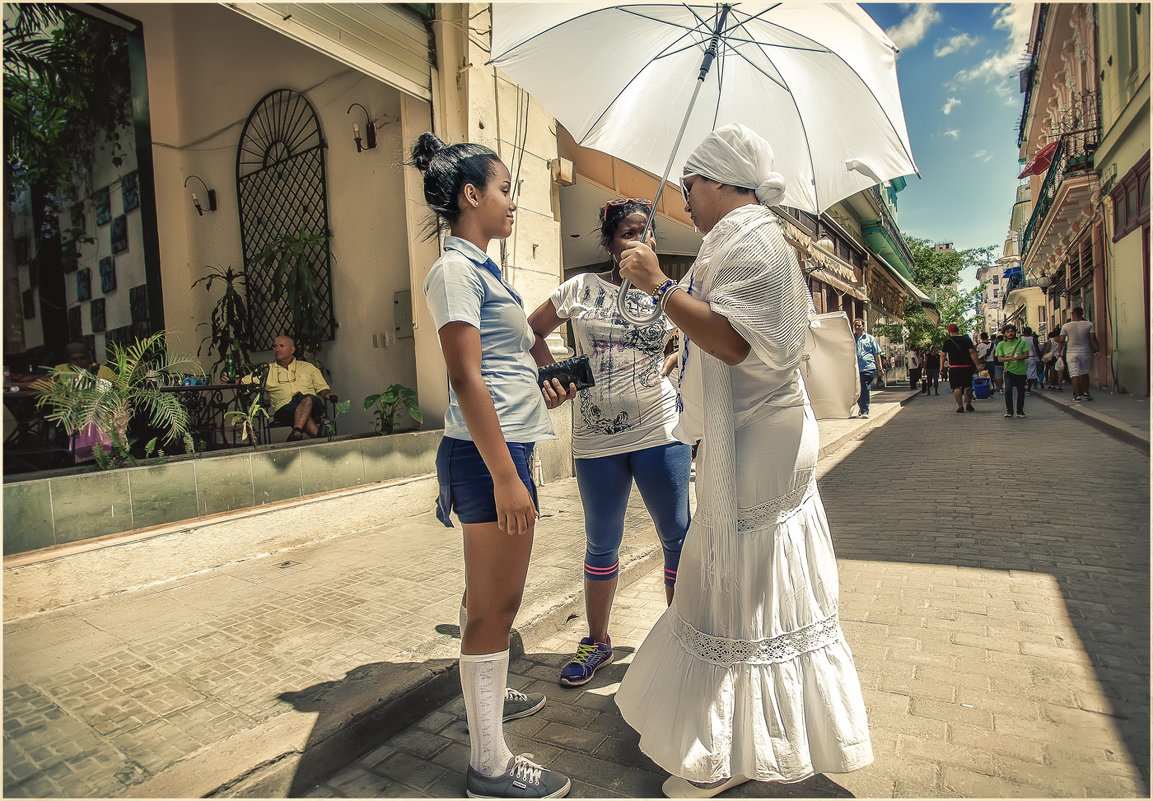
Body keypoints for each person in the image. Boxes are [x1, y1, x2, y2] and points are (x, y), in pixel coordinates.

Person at [613, 123, 872, 798]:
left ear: (723, 180)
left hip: (762, 442)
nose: (684, 198)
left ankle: (728, 750)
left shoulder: (755, 240)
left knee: (744, 590)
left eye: (690, 185)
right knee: (729, 587)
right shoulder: (733, 241)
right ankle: (730, 742)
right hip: (748, 437)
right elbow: (712, 335)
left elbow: (733, 343)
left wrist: (658, 284)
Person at [411, 132, 571, 799]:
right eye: (505, 189)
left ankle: (488, 699)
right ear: (471, 195)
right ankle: (489, 765)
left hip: (501, 448)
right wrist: (507, 475)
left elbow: (504, 363)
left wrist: (545, 379)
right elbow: (465, 376)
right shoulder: (453, 271)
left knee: (487, 601)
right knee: (496, 607)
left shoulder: (481, 270)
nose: (512, 203)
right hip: (488, 457)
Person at [527, 199, 691, 689]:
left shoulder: (669, 293)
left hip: (659, 431)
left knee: (678, 538)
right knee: (601, 544)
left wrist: (670, 369)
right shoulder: (580, 288)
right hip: (596, 439)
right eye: (626, 233)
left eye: (645, 233)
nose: (637, 242)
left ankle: (682, 643)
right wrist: (551, 376)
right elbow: (532, 330)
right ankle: (598, 641)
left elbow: (692, 343)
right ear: (610, 243)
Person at [236, 336, 337, 440]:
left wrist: (327, 394)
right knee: (303, 414)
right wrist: (229, 379)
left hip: (313, 405)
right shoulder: (267, 370)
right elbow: (242, 382)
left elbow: (322, 388)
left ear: (292, 350)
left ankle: (297, 432)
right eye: (275, 346)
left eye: (281, 346)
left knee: (307, 399)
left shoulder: (307, 367)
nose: (277, 349)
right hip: (285, 410)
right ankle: (315, 437)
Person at [1057, 307, 1101, 401]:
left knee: (1074, 374)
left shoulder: (1066, 326)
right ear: (1082, 314)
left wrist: (1059, 351)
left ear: (1072, 314)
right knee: (1084, 372)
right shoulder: (1088, 324)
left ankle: (1077, 396)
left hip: (1071, 353)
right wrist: (1097, 350)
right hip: (1085, 351)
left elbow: (1061, 340)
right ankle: (1086, 393)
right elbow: (1093, 338)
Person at [941, 324, 982, 413]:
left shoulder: (947, 342)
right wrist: (978, 364)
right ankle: (968, 404)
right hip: (966, 367)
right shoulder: (966, 339)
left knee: (957, 388)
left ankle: (960, 406)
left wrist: (941, 367)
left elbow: (943, 355)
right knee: (967, 387)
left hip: (954, 368)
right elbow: (972, 352)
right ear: (958, 330)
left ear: (949, 331)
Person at [995, 324, 1030, 418]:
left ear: (1015, 332)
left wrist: (1016, 358)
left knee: (1021, 392)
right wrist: (1007, 359)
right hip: (1008, 371)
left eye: (1012, 331)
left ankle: (1020, 411)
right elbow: (999, 359)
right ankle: (1009, 411)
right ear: (1004, 334)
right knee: (1008, 390)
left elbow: (1027, 355)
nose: (1010, 333)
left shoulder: (1021, 343)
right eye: (1008, 332)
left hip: (1020, 371)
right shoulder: (1001, 344)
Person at [853, 318, 882, 419]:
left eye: (859, 325)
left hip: (868, 368)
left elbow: (877, 354)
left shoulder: (870, 339)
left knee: (864, 388)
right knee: (857, 389)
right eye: (855, 325)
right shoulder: (851, 339)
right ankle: (861, 407)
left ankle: (865, 410)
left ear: (863, 326)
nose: (857, 327)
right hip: (855, 369)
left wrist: (880, 369)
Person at [1022, 326, 1043, 395]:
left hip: (1022, 358)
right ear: (1030, 332)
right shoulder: (1033, 339)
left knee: (1022, 373)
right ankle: (1028, 390)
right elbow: (1037, 349)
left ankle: (1021, 387)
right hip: (1031, 357)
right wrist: (1040, 358)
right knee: (1031, 374)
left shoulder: (1020, 339)